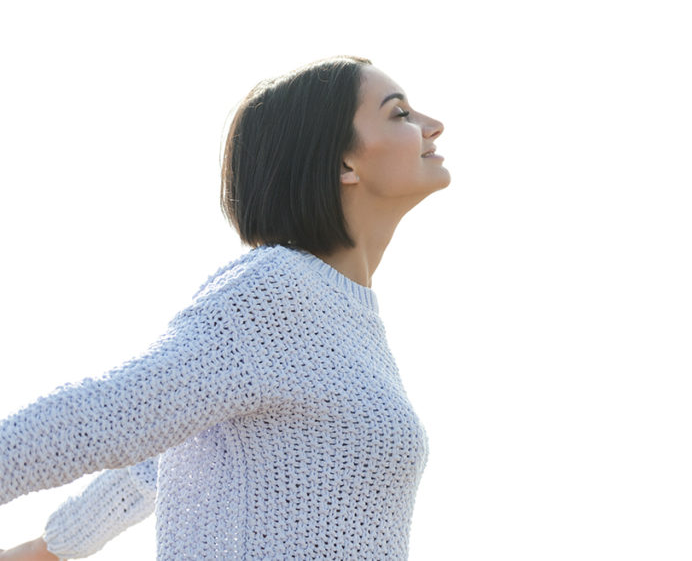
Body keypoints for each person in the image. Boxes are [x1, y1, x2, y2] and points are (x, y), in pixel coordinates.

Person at [0, 55, 449, 560]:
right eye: (399, 113)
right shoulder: (276, 290)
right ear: (344, 163)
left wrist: (47, 549)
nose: (433, 126)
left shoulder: (351, 319)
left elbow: (154, 462)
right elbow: (118, 411)